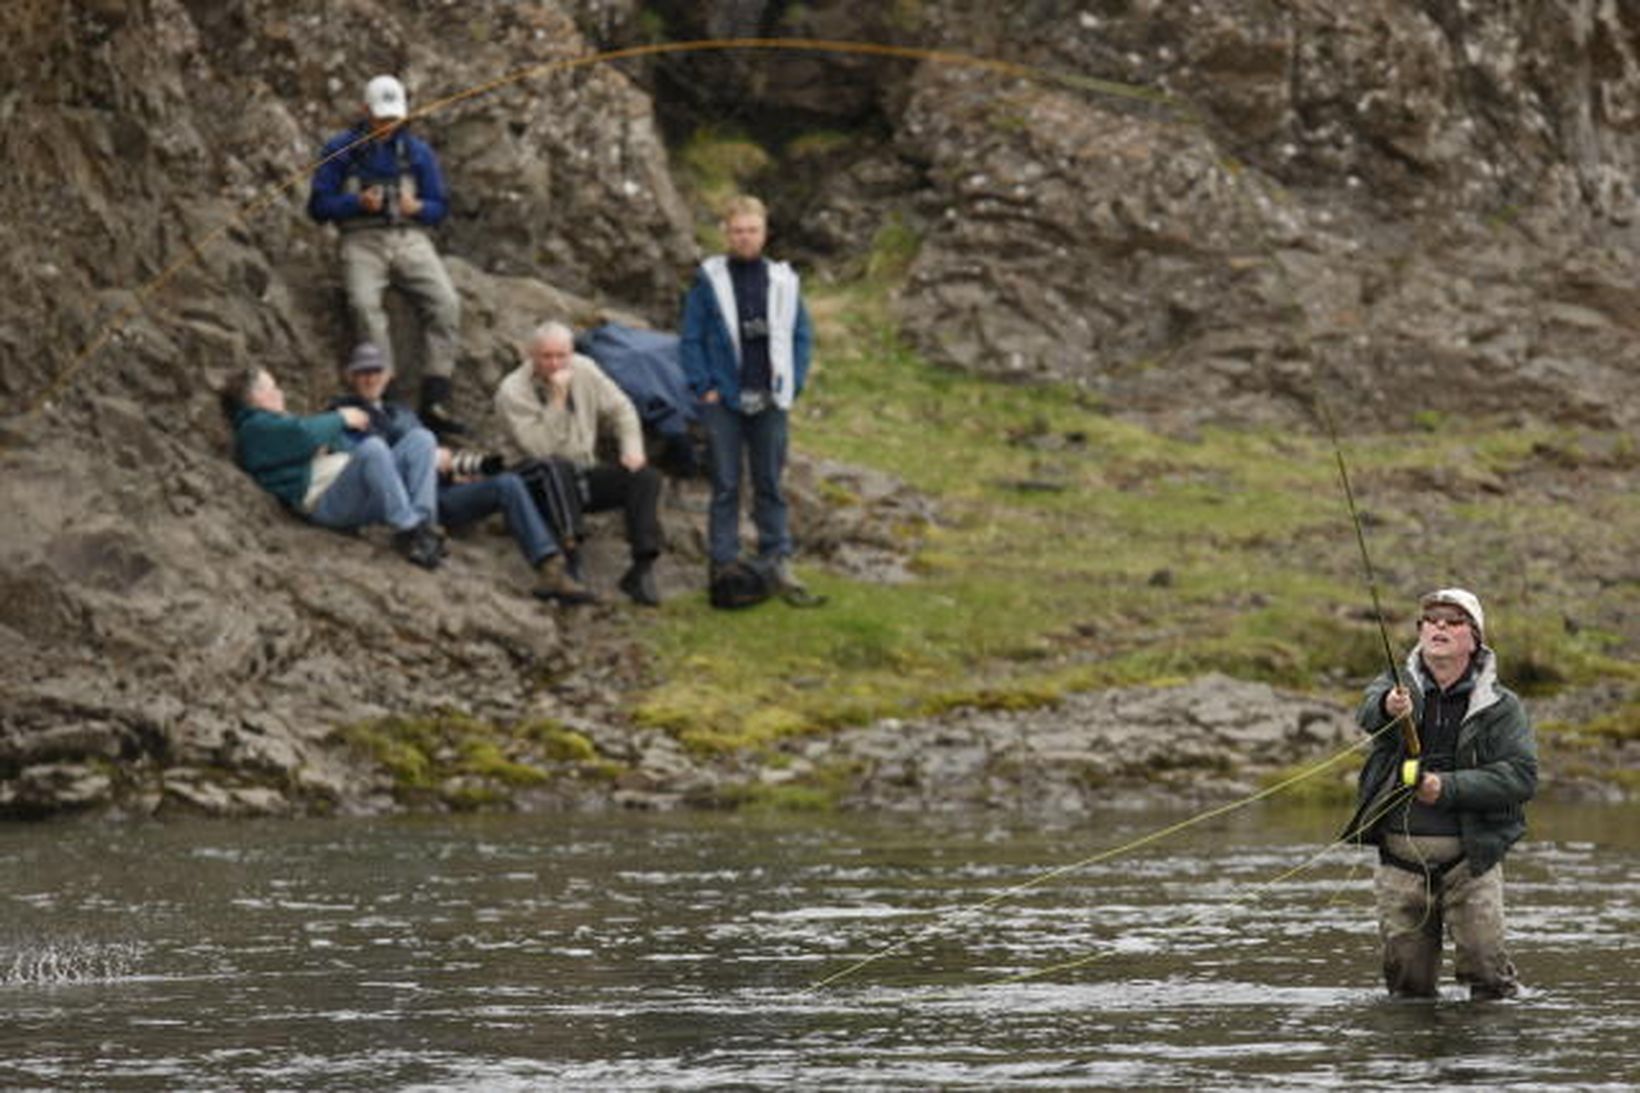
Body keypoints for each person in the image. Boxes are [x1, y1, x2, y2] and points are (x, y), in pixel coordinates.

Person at [1343, 587, 1537, 1000]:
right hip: (1399, 862)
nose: (1440, 626)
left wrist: (1446, 788)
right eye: (1431, 619)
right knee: (1408, 990)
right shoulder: (1396, 685)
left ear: (1475, 637)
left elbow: (1521, 777)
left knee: (1490, 982)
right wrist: (1388, 708)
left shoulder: (1502, 706)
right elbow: (1367, 710)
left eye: (1453, 620)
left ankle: (1482, 1063)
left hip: (1473, 861)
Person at [329, 343, 594, 604]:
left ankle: (550, 567)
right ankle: (419, 532)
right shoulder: (342, 412)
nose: (370, 378)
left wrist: (455, 471)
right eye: (363, 372)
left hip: (438, 492)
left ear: (389, 375)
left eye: (376, 370)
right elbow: (359, 462)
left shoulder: (401, 412)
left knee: (507, 482)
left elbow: (432, 453)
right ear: (351, 376)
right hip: (397, 498)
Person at [308, 74, 466, 435]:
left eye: (394, 119)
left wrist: (418, 208)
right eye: (381, 119)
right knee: (364, 305)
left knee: (446, 303)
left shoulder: (417, 152)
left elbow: (440, 208)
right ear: (365, 111)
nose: (387, 126)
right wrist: (355, 203)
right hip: (360, 240)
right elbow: (317, 207)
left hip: (410, 237)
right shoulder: (340, 149)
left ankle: (435, 394)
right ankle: (387, 394)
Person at [678, 194, 815, 600]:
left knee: (769, 481)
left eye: (752, 230)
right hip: (725, 400)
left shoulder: (784, 282)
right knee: (725, 482)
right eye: (737, 231)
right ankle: (724, 562)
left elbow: (801, 336)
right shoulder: (708, 281)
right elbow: (691, 338)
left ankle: (777, 559)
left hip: (771, 398)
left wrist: (794, 381)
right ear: (726, 233)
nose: (744, 238)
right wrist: (705, 387)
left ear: (765, 232)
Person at [494, 322, 665, 606]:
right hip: (533, 481)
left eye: (562, 356)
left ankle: (642, 567)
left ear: (571, 353)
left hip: (582, 470)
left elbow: (622, 409)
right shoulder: (512, 391)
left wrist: (632, 450)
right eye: (546, 356)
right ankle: (569, 561)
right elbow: (541, 449)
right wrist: (558, 399)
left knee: (644, 477)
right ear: (530, 356)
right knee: (555, 467)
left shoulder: (584, 369)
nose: (555, 364)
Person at [221, 364, 443, 568]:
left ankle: (424, 527)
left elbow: (308, 438)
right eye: (273, 387)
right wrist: (341, 418)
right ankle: (409, 529)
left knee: (421, 440)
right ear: (256, 396)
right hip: (326, 502)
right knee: (372, 449)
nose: (280, 393)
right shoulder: (255, 428)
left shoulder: (272, 425)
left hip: (349, 489)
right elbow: (303, 434)